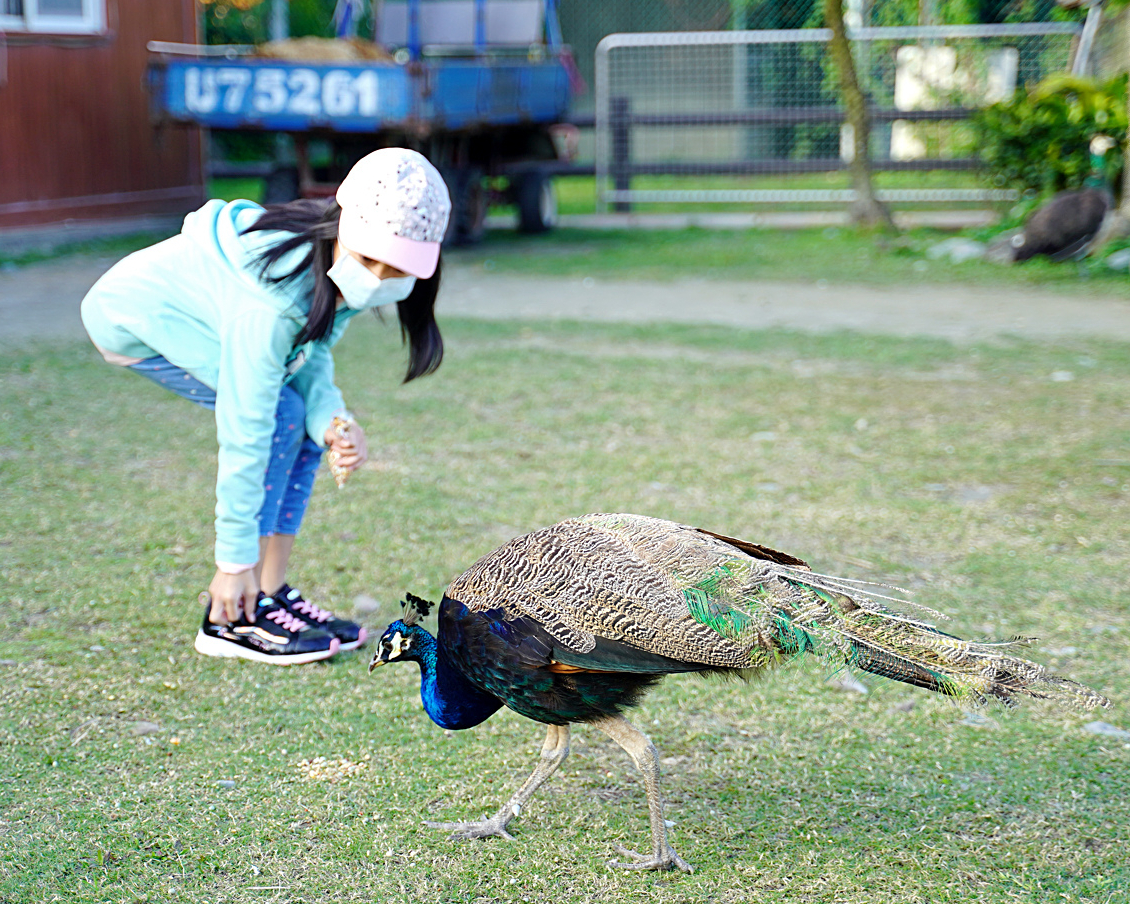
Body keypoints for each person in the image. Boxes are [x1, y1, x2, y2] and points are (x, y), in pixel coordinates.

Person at [80, 148, 451, 665]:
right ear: (343, 223)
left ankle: (270, 592)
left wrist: (333, 421)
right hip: (133, 321)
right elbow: (245, 429)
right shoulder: (270, 303)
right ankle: (230, 613)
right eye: (368, 259)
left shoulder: (328, 263)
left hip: (206, 320)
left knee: (301, 419)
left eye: (396, 271)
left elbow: (310, 352)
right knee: (277, 418)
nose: (378, 278)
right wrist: (232, 559)